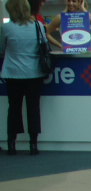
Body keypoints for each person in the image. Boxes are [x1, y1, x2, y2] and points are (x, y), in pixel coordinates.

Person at [1, 0, 48, 155]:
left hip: (13, 73)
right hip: (34, 73)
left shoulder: (6, 28)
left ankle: (11, 143)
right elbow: (44, 46)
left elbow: (1, 49)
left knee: (14, 108)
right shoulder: (38, 26)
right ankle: (33, 144)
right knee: (33, 108)